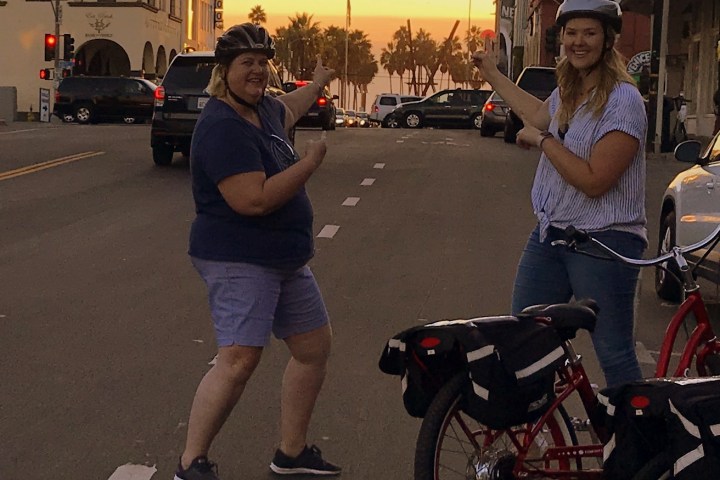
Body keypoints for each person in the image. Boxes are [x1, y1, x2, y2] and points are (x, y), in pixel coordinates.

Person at [175, 23, 340, 480]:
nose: (257, 72)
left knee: (313, 347)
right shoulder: (221, 126)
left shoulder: (262, 109)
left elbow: (288, 108)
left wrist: (320, 83)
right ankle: (191, 464)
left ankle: (291, 453)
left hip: (283, 258)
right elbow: (254, 199)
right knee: (238, 360)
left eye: (263, 63)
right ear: (224, 71)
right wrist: (308, 164)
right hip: (238, 257)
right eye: (247, 63)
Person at [473, 0, 647, 388]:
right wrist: (493, 75)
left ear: (607, 40)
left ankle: (638, 444)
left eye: (590, 33)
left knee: (614, 354)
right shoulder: (572, 90)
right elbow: (536, 115)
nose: (578, 42)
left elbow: (594, 180)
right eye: (571, 33)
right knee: (523, 342)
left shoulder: (623, 100)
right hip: (551, 235)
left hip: (605, 242)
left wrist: (544, 141)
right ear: (561, 38)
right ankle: (536, 443)